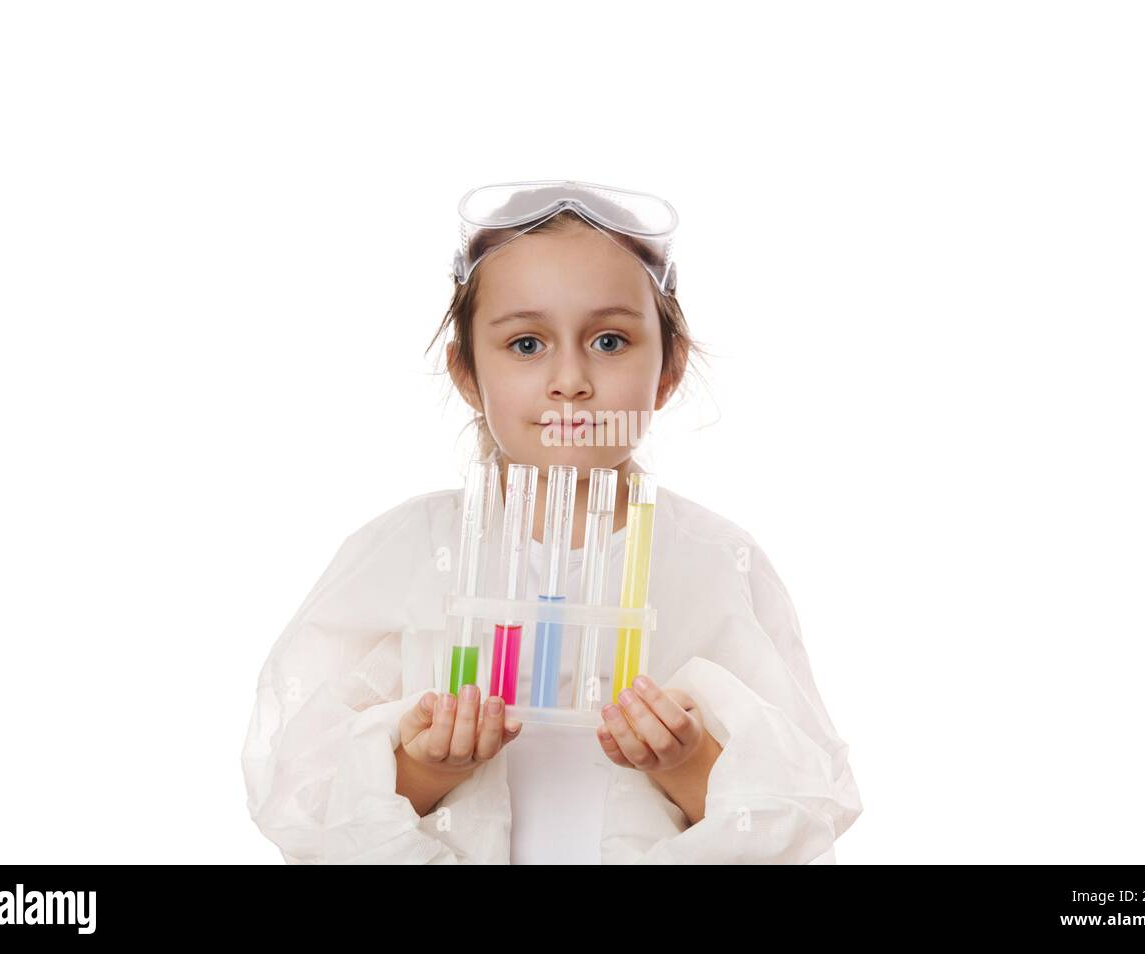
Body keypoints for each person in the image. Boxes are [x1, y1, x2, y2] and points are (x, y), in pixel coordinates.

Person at [240, 180, 863, 863]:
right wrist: (428, 767)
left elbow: (795, 814)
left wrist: (684, 761)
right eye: (528, 344)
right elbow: (307, 798)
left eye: (609, 339)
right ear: (467, 372)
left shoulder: (712, 563)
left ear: (669, 369)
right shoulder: (408, 555)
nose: (570, 378)